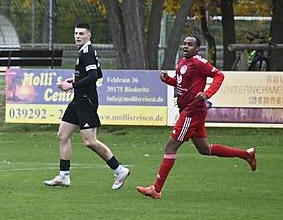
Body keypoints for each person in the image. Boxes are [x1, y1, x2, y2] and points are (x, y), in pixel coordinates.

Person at [137, 36, 256, 199]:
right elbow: (182, 84)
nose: (186, 46)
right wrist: (168, 80)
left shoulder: (199, 62)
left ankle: (156, 189)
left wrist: (207, 93)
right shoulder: (182, 62)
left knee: (170, 147)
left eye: (190, 44)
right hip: (189, 110)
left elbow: (219, 76)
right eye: (184, 44)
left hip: (192, 111)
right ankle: (246, 155)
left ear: (197, 48)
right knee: (204, 150)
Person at [44, 22, 130, 189]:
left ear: (89, 35)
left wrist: (71, 85)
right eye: (76, 33)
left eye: (81, 33)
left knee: (90, 142)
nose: (78, 36)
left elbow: (93, 76)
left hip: (86, 101)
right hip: (78, 100)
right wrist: (75, 79)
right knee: (62, 135)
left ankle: (120, 170)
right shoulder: (84, 51)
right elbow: (98, 73)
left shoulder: (87, 52)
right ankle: (63, 176)